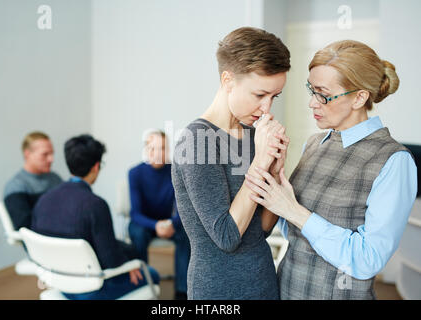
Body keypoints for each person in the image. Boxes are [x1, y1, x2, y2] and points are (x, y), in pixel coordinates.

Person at [244, 40, 418, 299]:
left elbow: (367, 259)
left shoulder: (393, 160)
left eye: (323, 94)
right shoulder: (315, 143)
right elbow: (294, 232)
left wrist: (294, 210)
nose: (313, 103)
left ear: (359, 97)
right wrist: (275, 173)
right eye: (311, 90)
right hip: (287, 290)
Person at [171, 27, 291, 299]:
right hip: (218, 290)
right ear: (228, 80)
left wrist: (275, 171)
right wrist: (260, 161)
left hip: (262, 282)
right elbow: (227, 237)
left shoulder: (252, 135)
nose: (267, 109)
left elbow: (261, 229)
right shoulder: (196, 141)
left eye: (274, 97)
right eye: (259, 95)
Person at [31, 134, 160, 300]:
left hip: (58, 284)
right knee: (151, 274)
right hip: (91, 290)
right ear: (96, 166)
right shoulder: (95, 205)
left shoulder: (44, 200)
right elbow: (110, 260)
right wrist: (129, 265)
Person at [128, 130, 190, 300]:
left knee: (186, 232)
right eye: (153, 148)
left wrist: (172, 224)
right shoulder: (135, 173)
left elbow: (183, 208)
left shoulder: (176, 171)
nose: (158, 153)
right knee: (137, 233)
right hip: (144, 223)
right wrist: (156, 226)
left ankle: (181, 291)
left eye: (163, 148)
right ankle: (143, 284)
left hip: (168, 223)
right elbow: (135, 213)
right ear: (146, 150)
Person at [3, 131, 62, 230]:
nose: (51, 159)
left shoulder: (54, 178)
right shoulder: (16, 186)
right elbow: (24, 225)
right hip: (39, 241)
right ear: (27, 154)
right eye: (45, 154)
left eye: (52, 153)